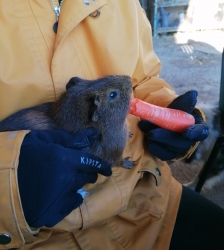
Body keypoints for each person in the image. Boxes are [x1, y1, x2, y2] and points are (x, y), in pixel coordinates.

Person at [0, 1, 224, 249]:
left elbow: (142, 77)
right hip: (34, 235)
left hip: (144, 200)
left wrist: (165, 109)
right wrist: (6, 184)